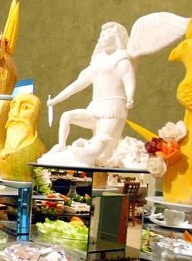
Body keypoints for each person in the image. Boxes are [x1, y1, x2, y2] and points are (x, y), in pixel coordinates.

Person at [43, 22, 135, 166]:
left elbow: (128, 78)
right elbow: (76, 85)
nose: (101, 38)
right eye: (101, 35)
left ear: (116, 37)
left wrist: (130, 96)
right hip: (96, 107)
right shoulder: (97, 62)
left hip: (113, 108)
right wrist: (55, 100)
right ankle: (61, 146)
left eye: (106, 35)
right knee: (67, 116)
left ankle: (99, 166)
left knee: (103, 149)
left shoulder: (121, 58)